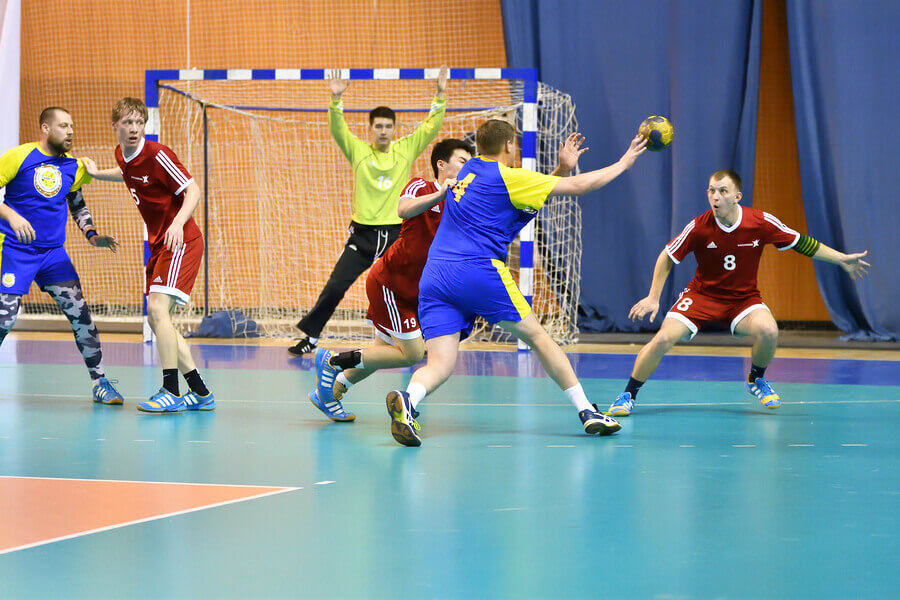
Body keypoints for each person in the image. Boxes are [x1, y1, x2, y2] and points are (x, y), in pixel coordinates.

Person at [385, 119, 648, 446]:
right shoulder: (509, 177)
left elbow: (525, 197)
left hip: (436, 276)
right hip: (478, 271)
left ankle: (407, 400)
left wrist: (559, 169)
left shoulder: (466, 173)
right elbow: (579, 187)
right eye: (517, 144)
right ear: (509, 146)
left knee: (440, 363)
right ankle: (587, 411)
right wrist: (624, 162)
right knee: (539, 337)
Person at [606, 169, 870, 416]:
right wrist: (653, 296)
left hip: (743, 300)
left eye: (722, 191)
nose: (715, 197)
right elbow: (667, 256)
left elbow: (801, 242)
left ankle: (756, 378)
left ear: (737, 197)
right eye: (711, 191)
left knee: (769, 330)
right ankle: (628, 395)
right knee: (663, 338)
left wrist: (841, 259)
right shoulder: (699, 226)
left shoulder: (760, 222)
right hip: (701, 297)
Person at [288, 66, 449, 356]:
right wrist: (336, 100)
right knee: (336, 285)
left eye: (388, 126)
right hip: (362, 235)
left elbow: (430, 127)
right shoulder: (359, 152)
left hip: (396, 235)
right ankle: (311, 337)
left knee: (413, 287)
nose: (384, 131)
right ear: (371, 128)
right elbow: (338, 130)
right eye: (378, 126)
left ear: (394, 128)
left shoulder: (406, 149)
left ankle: (421, 339)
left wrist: (440, 93)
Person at [307, 138, 472, 421]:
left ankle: (330, 394)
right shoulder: (422, 187)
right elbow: (403, 209)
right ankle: (333, 361)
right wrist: (439, 195)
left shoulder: (461, 203)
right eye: (463, 160)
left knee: (382, 352)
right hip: (391, 284)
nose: (468, 166)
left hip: (416, 293)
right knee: (411, 353)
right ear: (441, 164)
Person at [82, 97, 215, 413]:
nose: (134, 129)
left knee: (157, 309)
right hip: (160, 246)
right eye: (127, 123)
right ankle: (200, 392)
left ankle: (171, 390)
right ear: (115, 126)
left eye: (139, 123)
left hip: (181, 240)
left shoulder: (157, 154)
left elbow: (193, 190)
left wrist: (179, 223)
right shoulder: (123, 154)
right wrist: (98, 174)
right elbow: (126, 172)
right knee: (160, 320)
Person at [0, 107, 124, 404]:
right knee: (4, 319)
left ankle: (100, 383)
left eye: (72, 126)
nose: (70, 131)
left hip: (53, 254)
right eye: (64, 126)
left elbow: (77, 203)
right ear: (45, 128)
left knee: (81, 317)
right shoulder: (19, 156)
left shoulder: (74, 167)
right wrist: (12, 217)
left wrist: (92, 234)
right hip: (16, 251)